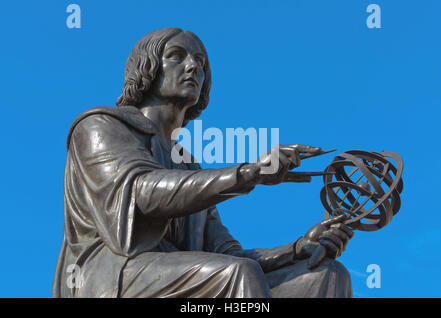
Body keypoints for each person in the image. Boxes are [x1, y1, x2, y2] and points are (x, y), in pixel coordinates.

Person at [52, 27, 354, 298]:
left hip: (183, 275)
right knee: (235, 275)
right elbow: (143, 192)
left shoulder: (186, 166)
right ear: (147, 68)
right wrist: (250, 174)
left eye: (200, 61)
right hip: (112, 277)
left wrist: (297, 249)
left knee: (326, 276)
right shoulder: (100, 126)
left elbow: (228, 252)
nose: (193, 66)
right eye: (176, 56)